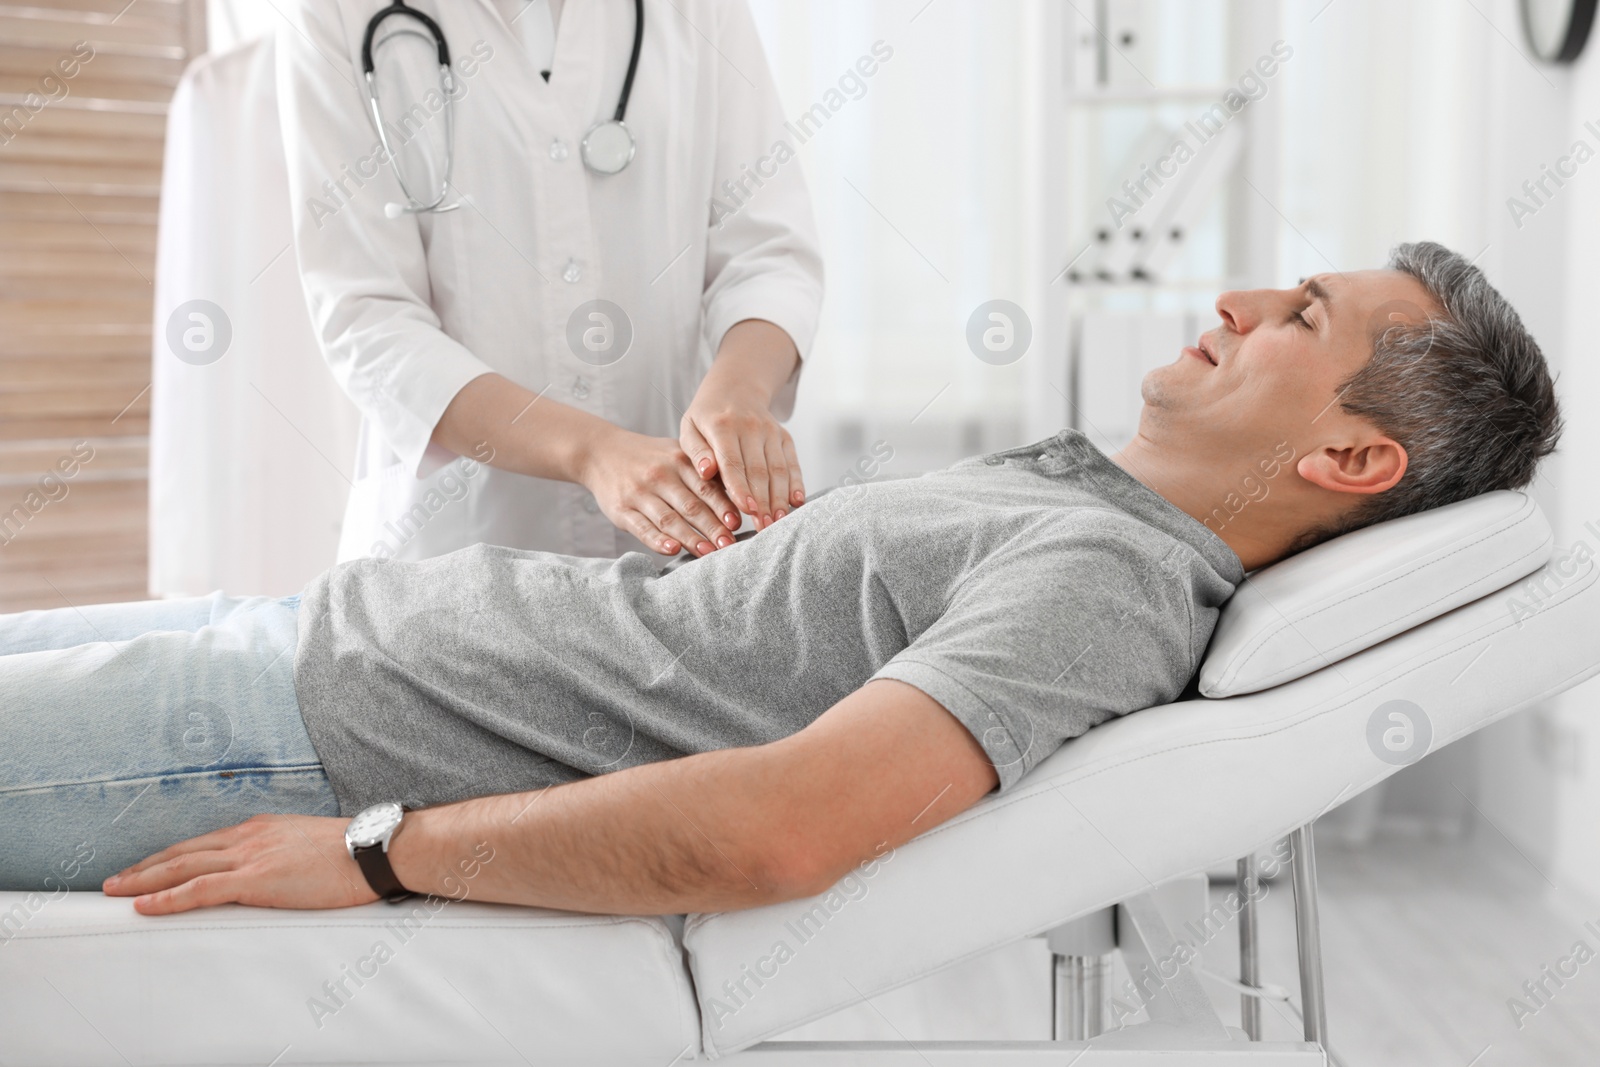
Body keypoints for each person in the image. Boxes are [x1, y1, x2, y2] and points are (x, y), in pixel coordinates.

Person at [0, 243, 1560, 917]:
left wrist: (378, 853)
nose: (1232, 298)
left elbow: (781, 828)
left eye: (1296, 312)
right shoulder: (1083, 497)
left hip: (300, 733)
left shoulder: (1111, 575)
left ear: (1353, 462)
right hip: (318, 635)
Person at [278, 0, 824, 565]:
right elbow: (367, 319)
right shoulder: (333, 12)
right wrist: (591, 451)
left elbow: (768, 250)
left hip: (681, 547)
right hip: (452, 561)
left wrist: (737, 395)